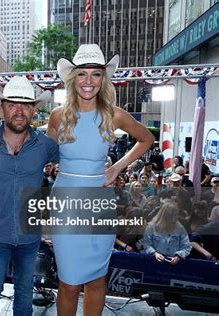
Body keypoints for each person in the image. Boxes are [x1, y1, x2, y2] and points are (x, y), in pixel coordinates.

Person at [47, 44, 154, 316]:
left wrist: (117, 167)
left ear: (103, 79)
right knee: (69, 282)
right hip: (66, 204)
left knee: (96, 280)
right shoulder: (58, 115)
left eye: (96, 74)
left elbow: (146, 138)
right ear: (73, 78)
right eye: (82, 74)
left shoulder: (114, 115)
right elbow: (43, 154)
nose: (89, 81)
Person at [0, 76, 59, 315]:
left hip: (29, 236)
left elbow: (77, 164)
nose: (19, 111)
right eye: (12, 104)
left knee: (24, 292)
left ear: (34, 109)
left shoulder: (45, 145)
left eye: (26, 105)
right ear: (1, 108)